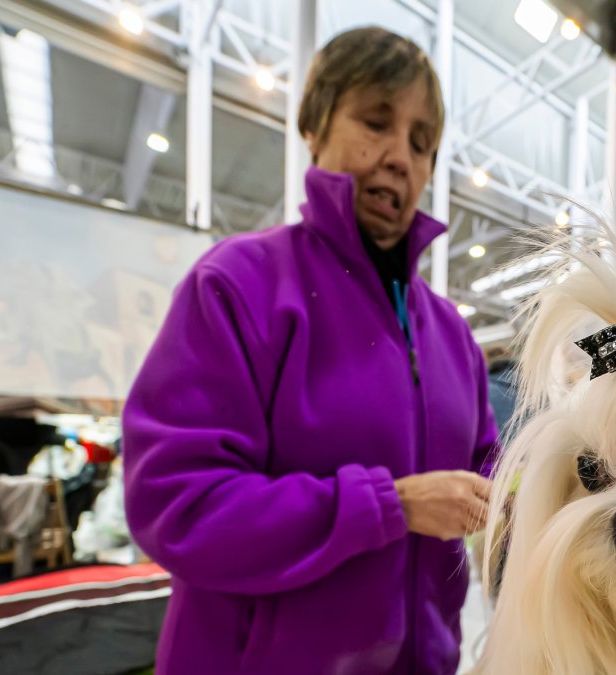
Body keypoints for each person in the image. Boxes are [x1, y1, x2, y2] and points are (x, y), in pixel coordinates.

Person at [122, 27, 497, 674]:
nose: (400, 158)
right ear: (315, 125)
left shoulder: (451, 336)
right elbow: (177, 501)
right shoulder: (239, 286)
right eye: (375, 122)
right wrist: (392, 505)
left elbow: (497, 473)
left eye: (421, 142)